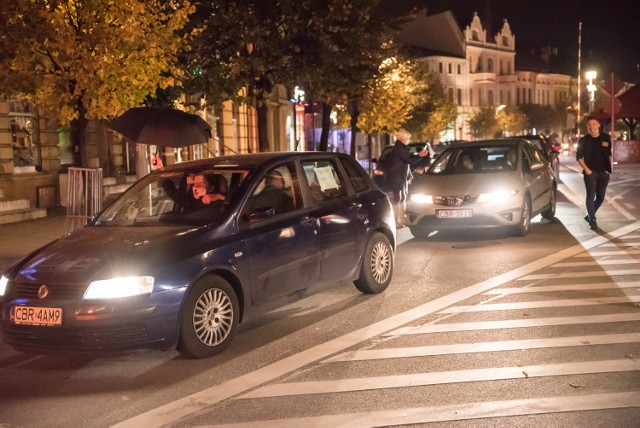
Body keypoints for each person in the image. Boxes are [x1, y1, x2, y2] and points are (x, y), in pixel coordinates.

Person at [385, 129, 429, 227]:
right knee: (398, 198)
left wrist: (409, 175)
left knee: (402, 197)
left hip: (400, 177)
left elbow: (406, 162)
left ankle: (400, 219)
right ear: (402, 138)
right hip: (397, 177)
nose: (409, 140)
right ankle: (396, 220)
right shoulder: (399, 149)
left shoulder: (401, 148)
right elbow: (409, 160)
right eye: (408, 138)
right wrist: (420, 155)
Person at [576, 115, 612, 230]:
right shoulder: (584, 140)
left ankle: (589, 214)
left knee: (600, 197)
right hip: (590, 173)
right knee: (590, 195)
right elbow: (579, 157)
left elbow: (609, 154)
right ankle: (592, 219)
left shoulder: (606, 138)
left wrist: (608, 170)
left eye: (594, 124)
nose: (591, 127)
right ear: (587, 126)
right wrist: (587, 170)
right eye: (589, 125)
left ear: (598, 125)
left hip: (604, 172)